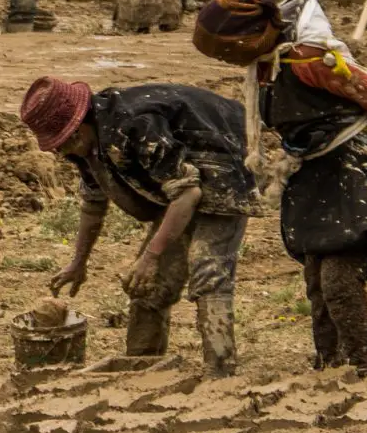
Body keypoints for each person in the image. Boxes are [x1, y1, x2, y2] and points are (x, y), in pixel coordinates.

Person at [215, 0, 367, 376]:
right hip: (312, 165)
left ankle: (360, 366)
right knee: (316, 274)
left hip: (353, 163)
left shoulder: (308, 61)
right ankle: (329, 361)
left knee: (339, 277)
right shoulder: (266, 69)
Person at [23, 74, 255, 375]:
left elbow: (188, 194)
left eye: (62, 144)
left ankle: (220, 371)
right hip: (179, 185)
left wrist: (151, 256)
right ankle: (140, 367)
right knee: (147, 286)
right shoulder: (88, 146)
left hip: (224, 163)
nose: (61, 153)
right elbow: (94, 202)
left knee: (208, 270)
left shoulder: (135, 125)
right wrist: (78, 262)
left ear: (77, 130)